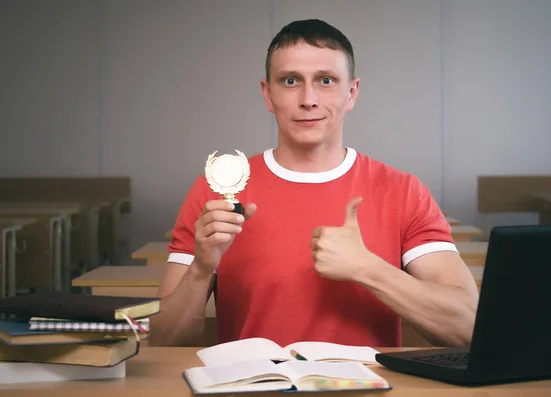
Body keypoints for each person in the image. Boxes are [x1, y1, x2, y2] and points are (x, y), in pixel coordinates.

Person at [149, 19, 479, 348]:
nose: (308, 99)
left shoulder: (404, 192)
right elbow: (163, 341)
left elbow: (467, 328)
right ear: (268, 94)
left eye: (326, 80)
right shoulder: (215, 193)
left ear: (351, 93)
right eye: (290, 81)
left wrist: (367, 268)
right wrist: (201, 268)